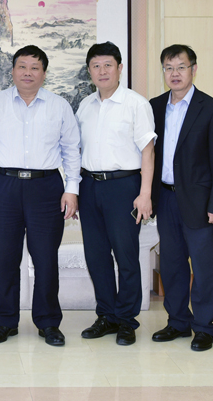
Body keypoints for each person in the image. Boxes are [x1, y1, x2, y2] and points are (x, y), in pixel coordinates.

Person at [0, 45, 80, 346]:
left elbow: (71, 151)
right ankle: (5, 322)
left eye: (34, 67)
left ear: (44, 73)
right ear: (13, 71)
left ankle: (48, 322)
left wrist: (72, 189)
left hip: (47, 188)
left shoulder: (59, 106)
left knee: (45, 258)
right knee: (6, 258)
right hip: (3, 185)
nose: (27, 73)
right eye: (22, 66)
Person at [149, 44, 213, 352]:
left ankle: (205, 326)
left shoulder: (212, 109)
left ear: (193, 70)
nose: (175, 74)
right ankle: (178, 322)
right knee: (172, 265)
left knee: (204, 266)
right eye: (169, 68)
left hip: (200, 202)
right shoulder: (155, 107)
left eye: (181, 67)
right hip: (165, 198)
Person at [76, 41, 156, 346]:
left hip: (124, 187)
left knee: (126, 255)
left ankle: (126, 319)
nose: (102, 71)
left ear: (120, 68)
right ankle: (106, 315)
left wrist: (145, 194)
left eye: (108, 65)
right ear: (89, 71)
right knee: (96, 256)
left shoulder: (136, 104)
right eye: (96, 66)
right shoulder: (85, 106)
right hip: (89, 186)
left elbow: (148, 151)